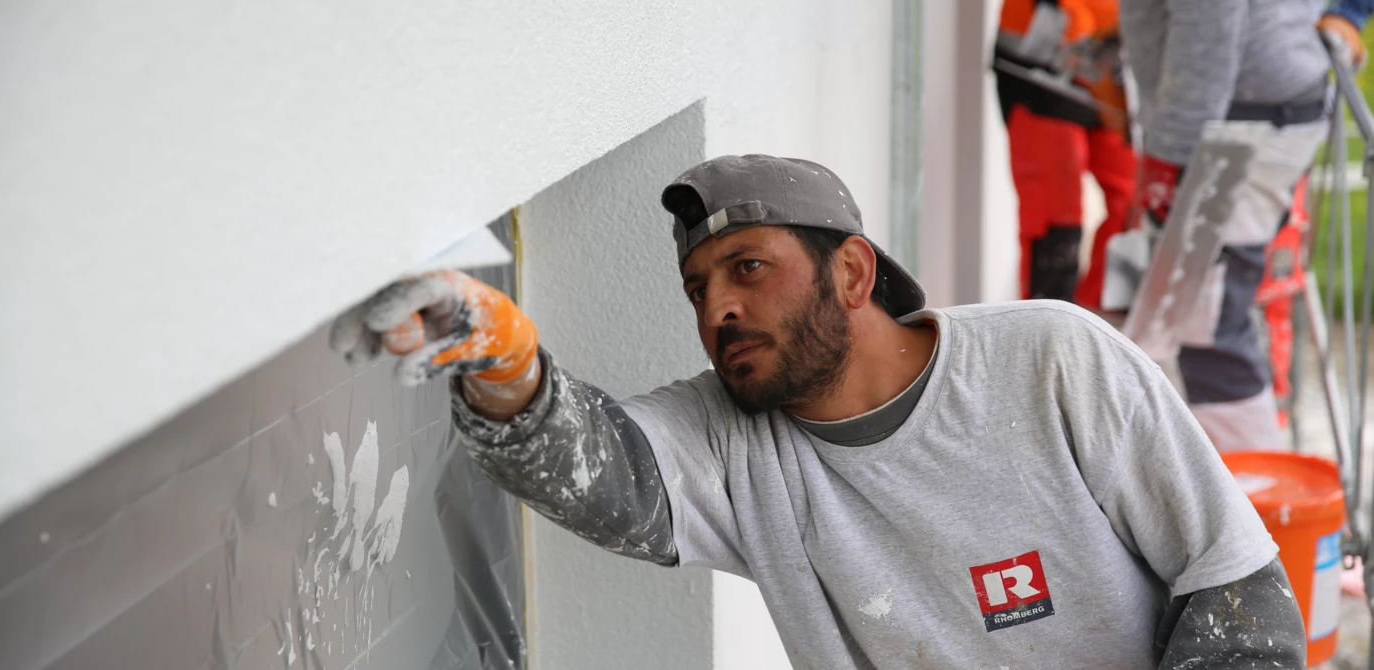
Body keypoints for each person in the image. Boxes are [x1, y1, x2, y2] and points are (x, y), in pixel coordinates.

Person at [332, 155, 1306, 668]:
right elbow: (605, 472)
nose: (717, 308)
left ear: (851, 273)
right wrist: (503, 360)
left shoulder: (1053, 359)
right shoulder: (728, 443)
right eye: (698, 287)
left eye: (748, 268)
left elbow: (1237, 592)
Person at [1117, 0, 1333, 452]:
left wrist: (1168, 157)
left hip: (1233, 126)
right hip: (1243, 114)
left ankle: (1250, 491)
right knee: (1188, 322)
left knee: (1206, 334)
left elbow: (1208, 26)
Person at [993, 0, 1136, 308]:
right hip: (1039, 77)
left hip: (1112, 69)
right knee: (1056, 221)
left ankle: (1099, 316)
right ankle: (1044, 324)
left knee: (1133, 203)